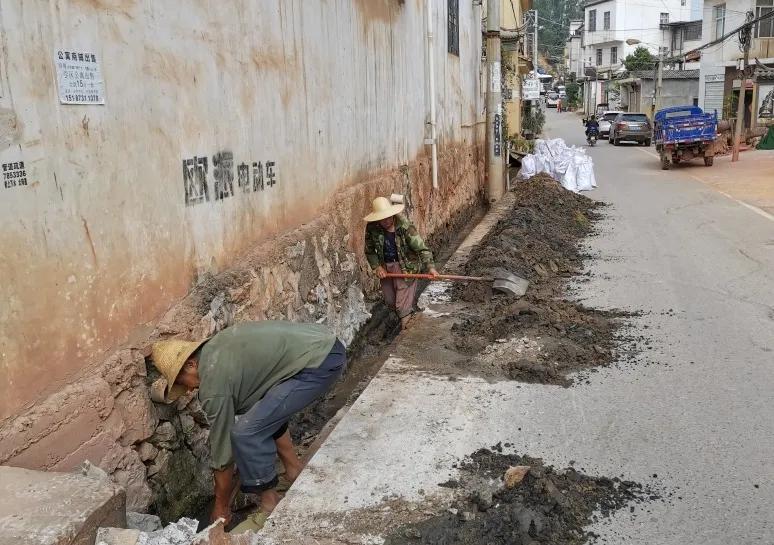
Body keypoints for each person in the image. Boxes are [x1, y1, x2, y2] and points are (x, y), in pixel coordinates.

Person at [151, 321, 347, 530]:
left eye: (183, 383)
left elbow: (223, 454)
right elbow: (266, 415)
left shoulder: (212, 384)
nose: (189, 391)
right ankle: (293, 469)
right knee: (260, 416)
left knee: (245, 433)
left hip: (318, 363)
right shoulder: (217, 347)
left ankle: (269, 503)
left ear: (191, 365)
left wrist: (220, 507)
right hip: (325, 345)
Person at [364, 196, 438, 328]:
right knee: (390, 301)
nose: (386, 221)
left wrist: (431, 268)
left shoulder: (404, 226)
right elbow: (369, 251)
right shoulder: (372, 227)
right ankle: (405, 316)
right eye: (382, 219)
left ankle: (406, 329)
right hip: (386, 267)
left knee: (401, 306)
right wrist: (377, 267)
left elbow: (422, 249)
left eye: (388, 217)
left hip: (406, 267)